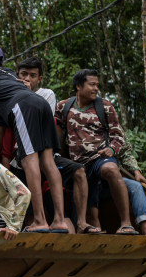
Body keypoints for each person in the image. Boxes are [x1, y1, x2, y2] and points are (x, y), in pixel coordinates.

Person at [0, 45, 67, 233]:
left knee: (29, 160)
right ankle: (59, 221)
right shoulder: (9, 74)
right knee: (48, 162)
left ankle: (40, 221)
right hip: (40, 105)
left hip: (23, 106)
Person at [54, 69, 137, 234]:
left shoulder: (104, 106)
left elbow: (119, 137)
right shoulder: (63, 107)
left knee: (111, 169)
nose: (96, 88)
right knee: (83, 220)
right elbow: (57, 137)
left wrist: (111, 149)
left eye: (97, 85)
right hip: (77, 165)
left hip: (99, 159)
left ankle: (126, 223)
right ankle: (82, 224)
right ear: (79, 86)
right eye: (92, 84)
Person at [13, 56, 89, 234]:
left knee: (79, 170)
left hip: (45, 154)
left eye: (32, 75)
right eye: (24, 74)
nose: (27, 79)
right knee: (28, 207)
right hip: (21, 158)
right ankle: (38, 225)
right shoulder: (12, 94)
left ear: (39, 78)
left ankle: (81, 222)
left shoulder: (47, 94)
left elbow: (39, 120)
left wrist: (26, 92)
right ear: (17, 75)